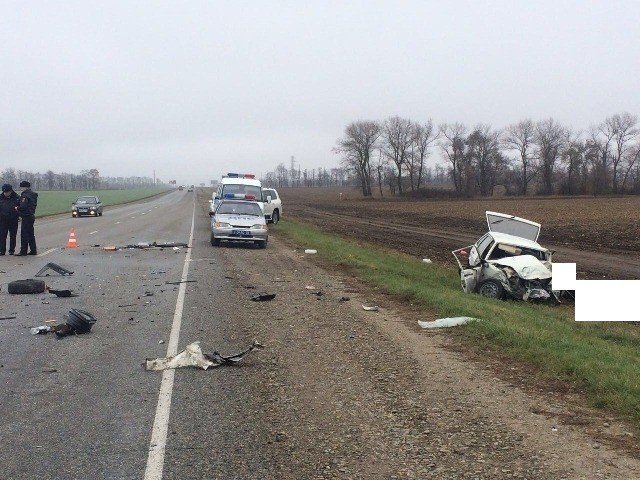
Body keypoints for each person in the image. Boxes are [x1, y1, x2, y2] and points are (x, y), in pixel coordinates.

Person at [16, 180, 38, 256]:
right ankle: (33, 250)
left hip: (26, 216)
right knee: (31, 234)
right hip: (31, 215)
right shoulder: (33, 194)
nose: (21, 189)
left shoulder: (25, 195)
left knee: (24, 234)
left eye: (21, 187)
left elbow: (23, 206)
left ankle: (23, 251)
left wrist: (17, 208)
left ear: (24, 187)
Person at [0, 184, 20, 255]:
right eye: (4, 192)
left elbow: (20, 207)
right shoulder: (0, 198)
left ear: (11, 191)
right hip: (2, 220)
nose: (5, 193)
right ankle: (2, 251)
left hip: (13, 220)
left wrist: (18, 214)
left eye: (7, 192)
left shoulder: (17, 197)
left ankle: (11, 250)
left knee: (13, 236)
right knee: (2, 236)